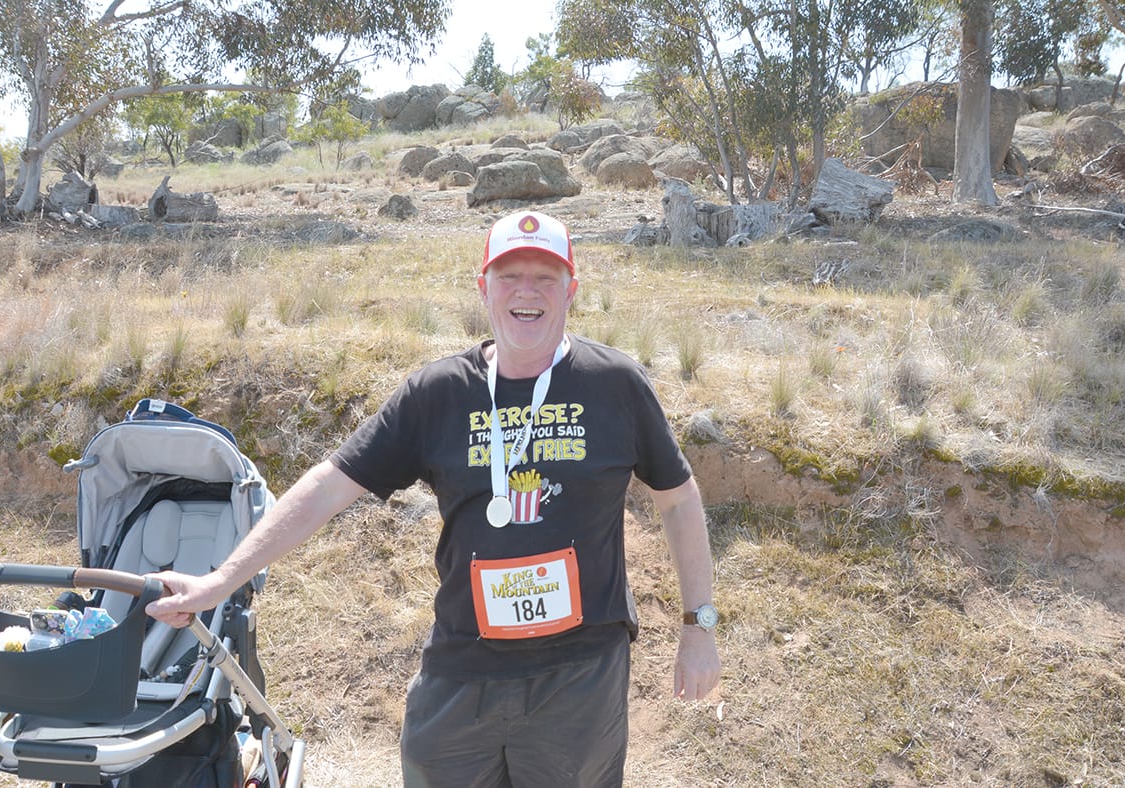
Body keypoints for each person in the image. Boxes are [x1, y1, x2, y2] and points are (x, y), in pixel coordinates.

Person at [147, 210, 721, 786]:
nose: (528, 292)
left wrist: (698, 626)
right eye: (509, 275)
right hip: (461, 669)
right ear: (484, 288)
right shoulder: (438, 394)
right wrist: (221, 581)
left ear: (572, 289)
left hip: (579, 675)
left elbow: (678, 499)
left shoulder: (615, 384)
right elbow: (328, 486)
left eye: (546, 276)